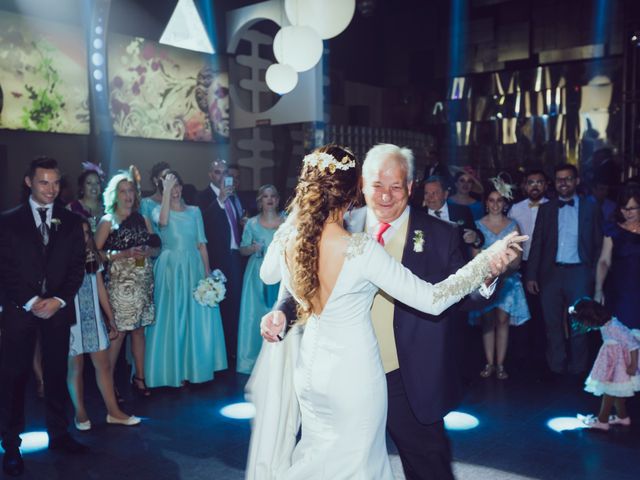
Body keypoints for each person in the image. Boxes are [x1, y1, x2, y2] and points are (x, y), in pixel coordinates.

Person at [246, 145, 524, 479]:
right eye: (376, 185)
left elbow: (269, 275)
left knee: (321, 459)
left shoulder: (293, 236)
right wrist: (484, 262)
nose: (385, 195)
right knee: (358, 465)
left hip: (319, 375)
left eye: (395, 186)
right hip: (356, 377)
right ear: (356, 190)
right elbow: (433, 299)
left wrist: (299, 216)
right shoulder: (360, 248)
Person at [0, 157, 87, 477]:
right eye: (43, 182)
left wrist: (59, 300)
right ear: (28, 183)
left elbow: (77, 267)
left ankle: (59, 434)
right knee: (14, 378)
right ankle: (10, 445)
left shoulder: (71, 220)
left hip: (57, 311)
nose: (51, 190)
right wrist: (32, 300)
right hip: (19, 311)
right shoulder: (8, 221)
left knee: (55, 374)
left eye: (55, 183)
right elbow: (4, 268)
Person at [145, 171, 227, 387]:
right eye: (171, 186)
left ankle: (194, 368)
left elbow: (201, 243)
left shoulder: (195, 211)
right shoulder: (157, 210)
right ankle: (172, 370)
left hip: (193, 267)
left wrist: (207, 272)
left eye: (178, 185)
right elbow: (162, 223)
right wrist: (166, 192)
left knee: (194, 318)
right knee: (172, 316)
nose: (176, 189)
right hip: (170, 268)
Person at [526, 163, 603, 376]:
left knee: (579, 324)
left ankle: (578, 368)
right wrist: (531, 275)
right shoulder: (546, 209)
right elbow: (537, 243)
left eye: (568, 178)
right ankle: (556, 367)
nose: (563, 182)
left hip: (580, 274)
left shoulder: (591, 208)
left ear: (576, 181)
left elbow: (598, 245)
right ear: (555, 183)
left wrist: (595, 276)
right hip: (551, 274)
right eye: (559, 179)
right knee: (552, 324)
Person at [67, 219, 140, 430]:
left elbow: (100, 288)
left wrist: (111, 318)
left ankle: (113, 412)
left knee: (104, 366)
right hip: (71, 320)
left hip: (93, 318)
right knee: (75, 367)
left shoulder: (93, 257)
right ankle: (80, 413)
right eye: (78, 233)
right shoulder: (61, 257)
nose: (83, 237)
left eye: (86, 233)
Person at [95, 167, 160, 398]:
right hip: (119, 284)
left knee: (139, 331)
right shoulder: (107, 221)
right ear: (114, 194)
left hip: (143, 282)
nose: (128, 195)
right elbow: (94, 254)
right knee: (119, 332)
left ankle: (139, 377)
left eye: (131, 190)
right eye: (123, 191)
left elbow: (156, 247)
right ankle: (108, 382)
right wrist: (122, 254)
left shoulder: (143, 218)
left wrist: (147, 251)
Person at [470, 181, 530, 380]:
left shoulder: (513, 226)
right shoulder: (478, 225)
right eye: (491, 200)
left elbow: (517, 257)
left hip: (508, 280)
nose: (495, 204)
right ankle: (489, 363)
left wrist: (503, 270)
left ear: (504, 203)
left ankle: (501, 364)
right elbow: (474, 257)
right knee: (487, 321)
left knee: (502, 320)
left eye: (499, 200)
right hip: (486, 280)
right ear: (486, 203)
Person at [197, 159, 244, 364]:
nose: (221, 176)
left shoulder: (234, 196)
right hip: (217, 258)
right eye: (217, 172)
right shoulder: (203, 196)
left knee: (235, 304)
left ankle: (233, 350)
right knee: (221, 306)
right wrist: (219, 201)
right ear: (210, 174)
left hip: (235, 255)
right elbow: (203, 223)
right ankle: (221, 353)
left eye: (225, 172)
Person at [572, 298, 640, 430]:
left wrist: (632, 365)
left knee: (609, 392)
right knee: (615, 391)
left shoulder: (614, 327)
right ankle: (623, 417)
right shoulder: (606, 324)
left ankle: (602, 421)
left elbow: (633, 345)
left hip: (619, 367)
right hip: (612, 364)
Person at [236, 185, 283, 374]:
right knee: (254, 316)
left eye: (273, 196)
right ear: (260, 201)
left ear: (278, 200)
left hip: (281, 273)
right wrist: (252, 248)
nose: (269, 199)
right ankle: (251, 360)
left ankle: (280, 360)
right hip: (256, 275)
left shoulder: (287, 222)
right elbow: (241, 249)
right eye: (265, 196)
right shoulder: (252, 224)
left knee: (279, 314)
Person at [507, 169, 549, 373]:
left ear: (546, 185)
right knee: (522, 312)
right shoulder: (515, 209)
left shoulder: (552, 207)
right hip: (521, 265)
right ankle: (521, 358)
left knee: (543, 313)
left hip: (546, 266)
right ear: (524, 186)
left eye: (539, 182)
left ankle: (542, 358)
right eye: (531, 182)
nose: (535, 186)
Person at [594, 187, 640, 330]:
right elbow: (604, 261)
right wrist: (598, 289)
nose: (627, 213)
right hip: (622, 292)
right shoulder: (613, 229)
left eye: (632, 208)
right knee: (623, 336)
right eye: (624, 208)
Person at [422, 175, 483, 255]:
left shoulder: (461, 212)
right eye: (427, 193)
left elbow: (476, 235)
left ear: (445, 194)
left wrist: (475, 238)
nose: (430, 197)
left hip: (456, 264)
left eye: (435, 193)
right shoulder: (418, 214)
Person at [67, 164, 105, 232]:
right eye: (89, 183)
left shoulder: (107, 209)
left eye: (97, 183)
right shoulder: (72, 208)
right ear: (82, 187)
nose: (94, 186)